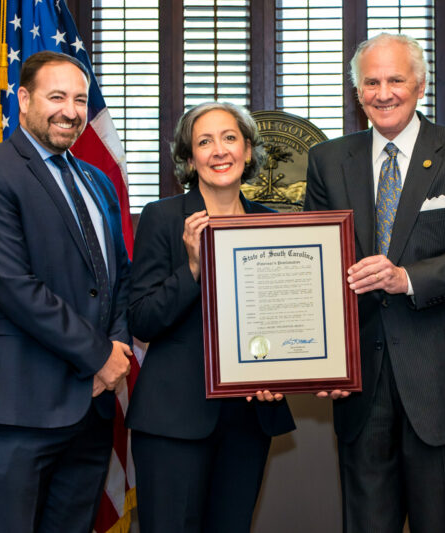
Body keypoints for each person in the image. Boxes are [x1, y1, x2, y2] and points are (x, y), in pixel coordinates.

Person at [304, 33, 445, 532]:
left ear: (420, 85)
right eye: (370, 82)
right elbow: (316, 271)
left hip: (444, 383)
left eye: (395, 80)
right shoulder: (328, 160)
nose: (383, 93)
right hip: (361, 383)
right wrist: (320, 360)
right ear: (358, 93)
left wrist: (407, 279)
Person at [0, 51, 132, 532]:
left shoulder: (97, 181)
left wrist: (116, 349)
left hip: (91, 407)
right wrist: (99, 356)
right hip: (21, 405)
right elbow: (14, 287)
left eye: (79, 99)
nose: (70, 111)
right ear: (24, 99)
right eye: (57, 97)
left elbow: (118, 277)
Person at [125, 101, 295, 532]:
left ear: (248, 151)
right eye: (205, 142)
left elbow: (282, 319)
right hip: (173, 420)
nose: (219, 150)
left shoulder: (271, 224)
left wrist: (282, 371)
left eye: (230, 138)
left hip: (248, 420)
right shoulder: (162, 218)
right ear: (189, 159)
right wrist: (193, 268)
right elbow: (142, 319)